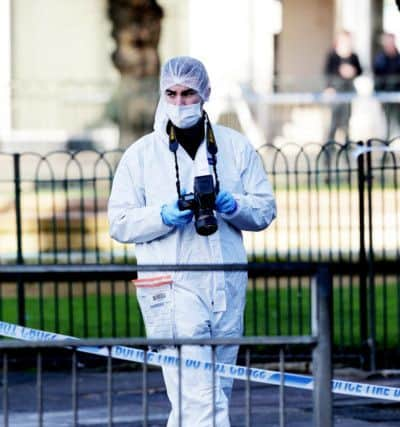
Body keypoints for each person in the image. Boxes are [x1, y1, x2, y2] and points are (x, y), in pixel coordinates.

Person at [108, 56, 276, 426]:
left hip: (226, 285)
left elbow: (264, 210)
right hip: (171, 288)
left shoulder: (234, 147)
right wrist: (162, 216)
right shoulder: (141, 156)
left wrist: (233, 206)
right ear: (162, 94)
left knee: (211, 393)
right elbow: (118, 222)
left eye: (189, 94)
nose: (181, 102)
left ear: (205, 95)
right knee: (201, 399)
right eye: (172, 93)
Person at [323, 31, 363, 142]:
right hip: (336, 92)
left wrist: (352, 71)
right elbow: (327, 73)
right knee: (334, 122)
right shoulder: (332, 55)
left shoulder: (353, 56)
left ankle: (346, 147)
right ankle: (329, 149)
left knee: (346, 122)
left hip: (348, 92)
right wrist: (329, 87)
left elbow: (360, 70)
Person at [373, 32, 400, 137]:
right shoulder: (380, 59)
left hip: (397, 96)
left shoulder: (398, 58)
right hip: (384, 95)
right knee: (387, 123)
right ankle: (386, 146)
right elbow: (377, 77)